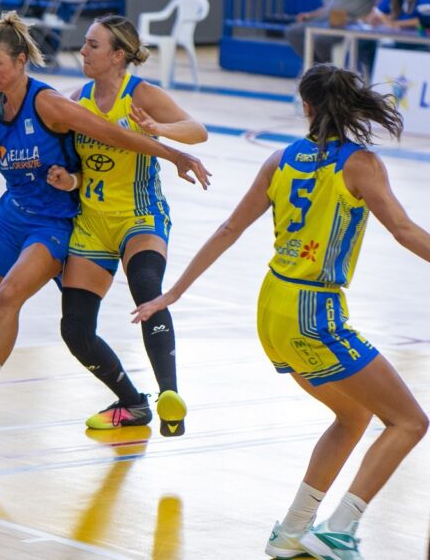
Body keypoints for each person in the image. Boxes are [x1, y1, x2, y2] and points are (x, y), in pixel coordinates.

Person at [132, 64, 429, 560]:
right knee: (409, 422)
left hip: (272, 307)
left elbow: (229, 229)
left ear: (308, 108)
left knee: (352, 414)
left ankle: (292, 531)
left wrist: (173, 293)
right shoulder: (361, 164)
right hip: (315, 307)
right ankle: (340, 528)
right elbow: (404, 231)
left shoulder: (279, 160)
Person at [0, 11, 211, 440]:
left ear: (21, 60)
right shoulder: (20, 110)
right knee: (12, 321)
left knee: (126, 289)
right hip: (50, 219)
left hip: (96, 219)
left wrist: (169, 146)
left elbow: (133, 133)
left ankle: (168, 395)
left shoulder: (73, 101)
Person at [45, 15, 207, 438]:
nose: (83, 51)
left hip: (140, 216)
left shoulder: (142, 95)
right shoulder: (75, 100)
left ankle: (170, 397)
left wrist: (160, 129)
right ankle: (133, 403)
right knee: (75, 329)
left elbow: (198, 131)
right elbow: (80, 164)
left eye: (92, 45)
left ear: (118, 56)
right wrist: (71, 180)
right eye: (85, 44)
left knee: (147, 288)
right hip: (93, 222)